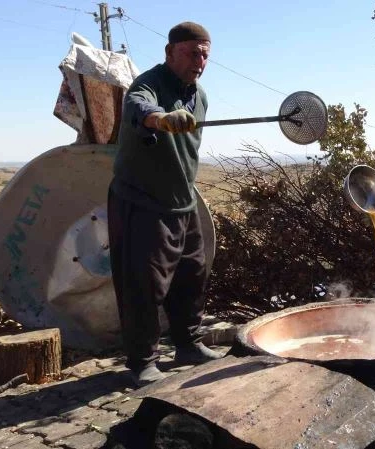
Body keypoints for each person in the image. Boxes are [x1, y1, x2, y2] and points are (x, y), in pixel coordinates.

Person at [108, 22, 223, 387]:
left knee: (192, 276)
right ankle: (142, 361)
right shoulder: (149, 83)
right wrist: (161, 118)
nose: (200, 60)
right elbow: (139, 106)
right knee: (143, 285)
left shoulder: (200, 95)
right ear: (170, 52)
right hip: (142, 200)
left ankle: (188, 344)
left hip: (182, 200)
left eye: (205, 53)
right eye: (192, 52)